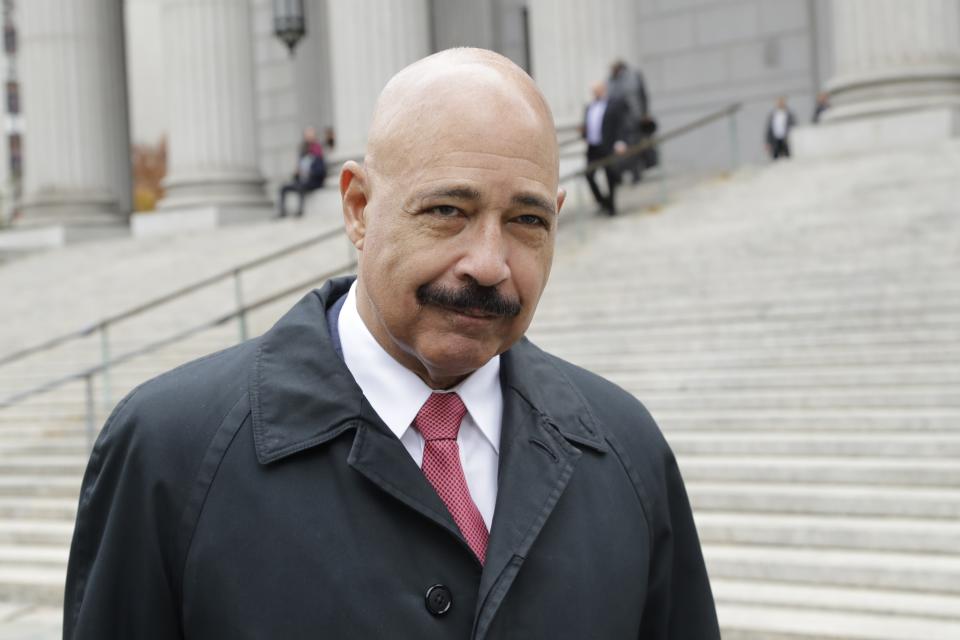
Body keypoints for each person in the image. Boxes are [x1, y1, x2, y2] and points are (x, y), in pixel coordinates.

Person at [63, 48, 719, 639]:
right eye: (447, 211)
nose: (489, 263)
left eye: (526, 220)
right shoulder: (167, 452)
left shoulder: (628, 450)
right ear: (358, 208)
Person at [581, 81, 629, 215]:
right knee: (589, 175)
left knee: (610, 176)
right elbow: (587, 125)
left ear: (604, 90)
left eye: (598, 90)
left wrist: (620, 142)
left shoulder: (613, 105)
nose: (596, 93)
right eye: (594, 90)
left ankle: (612, 206)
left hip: (607, 145)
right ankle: (602, 202)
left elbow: (620, 124)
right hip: (593, 147)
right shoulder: (589, 107)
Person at [607, 59, 650, 182]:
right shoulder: (610, 80)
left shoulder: (634, 76)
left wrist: (645, 113)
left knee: (635, 146)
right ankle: (622, 174)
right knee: (622, 149)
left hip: (634, 118)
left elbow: (643, 95)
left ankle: (636, 173)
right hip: (619, 122)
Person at [276, 126, 327, 218]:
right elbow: (297, 174)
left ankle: (299, 211)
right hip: (302, 181)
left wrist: (309, 172)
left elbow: (321, 171)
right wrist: (297, 173)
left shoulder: (318, 150)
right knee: (283, 188)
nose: (309, 136)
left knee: (301, 187)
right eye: (307, 134)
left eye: (311, 134)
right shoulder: (303, 151)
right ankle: (282, 212)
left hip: (314, 181)